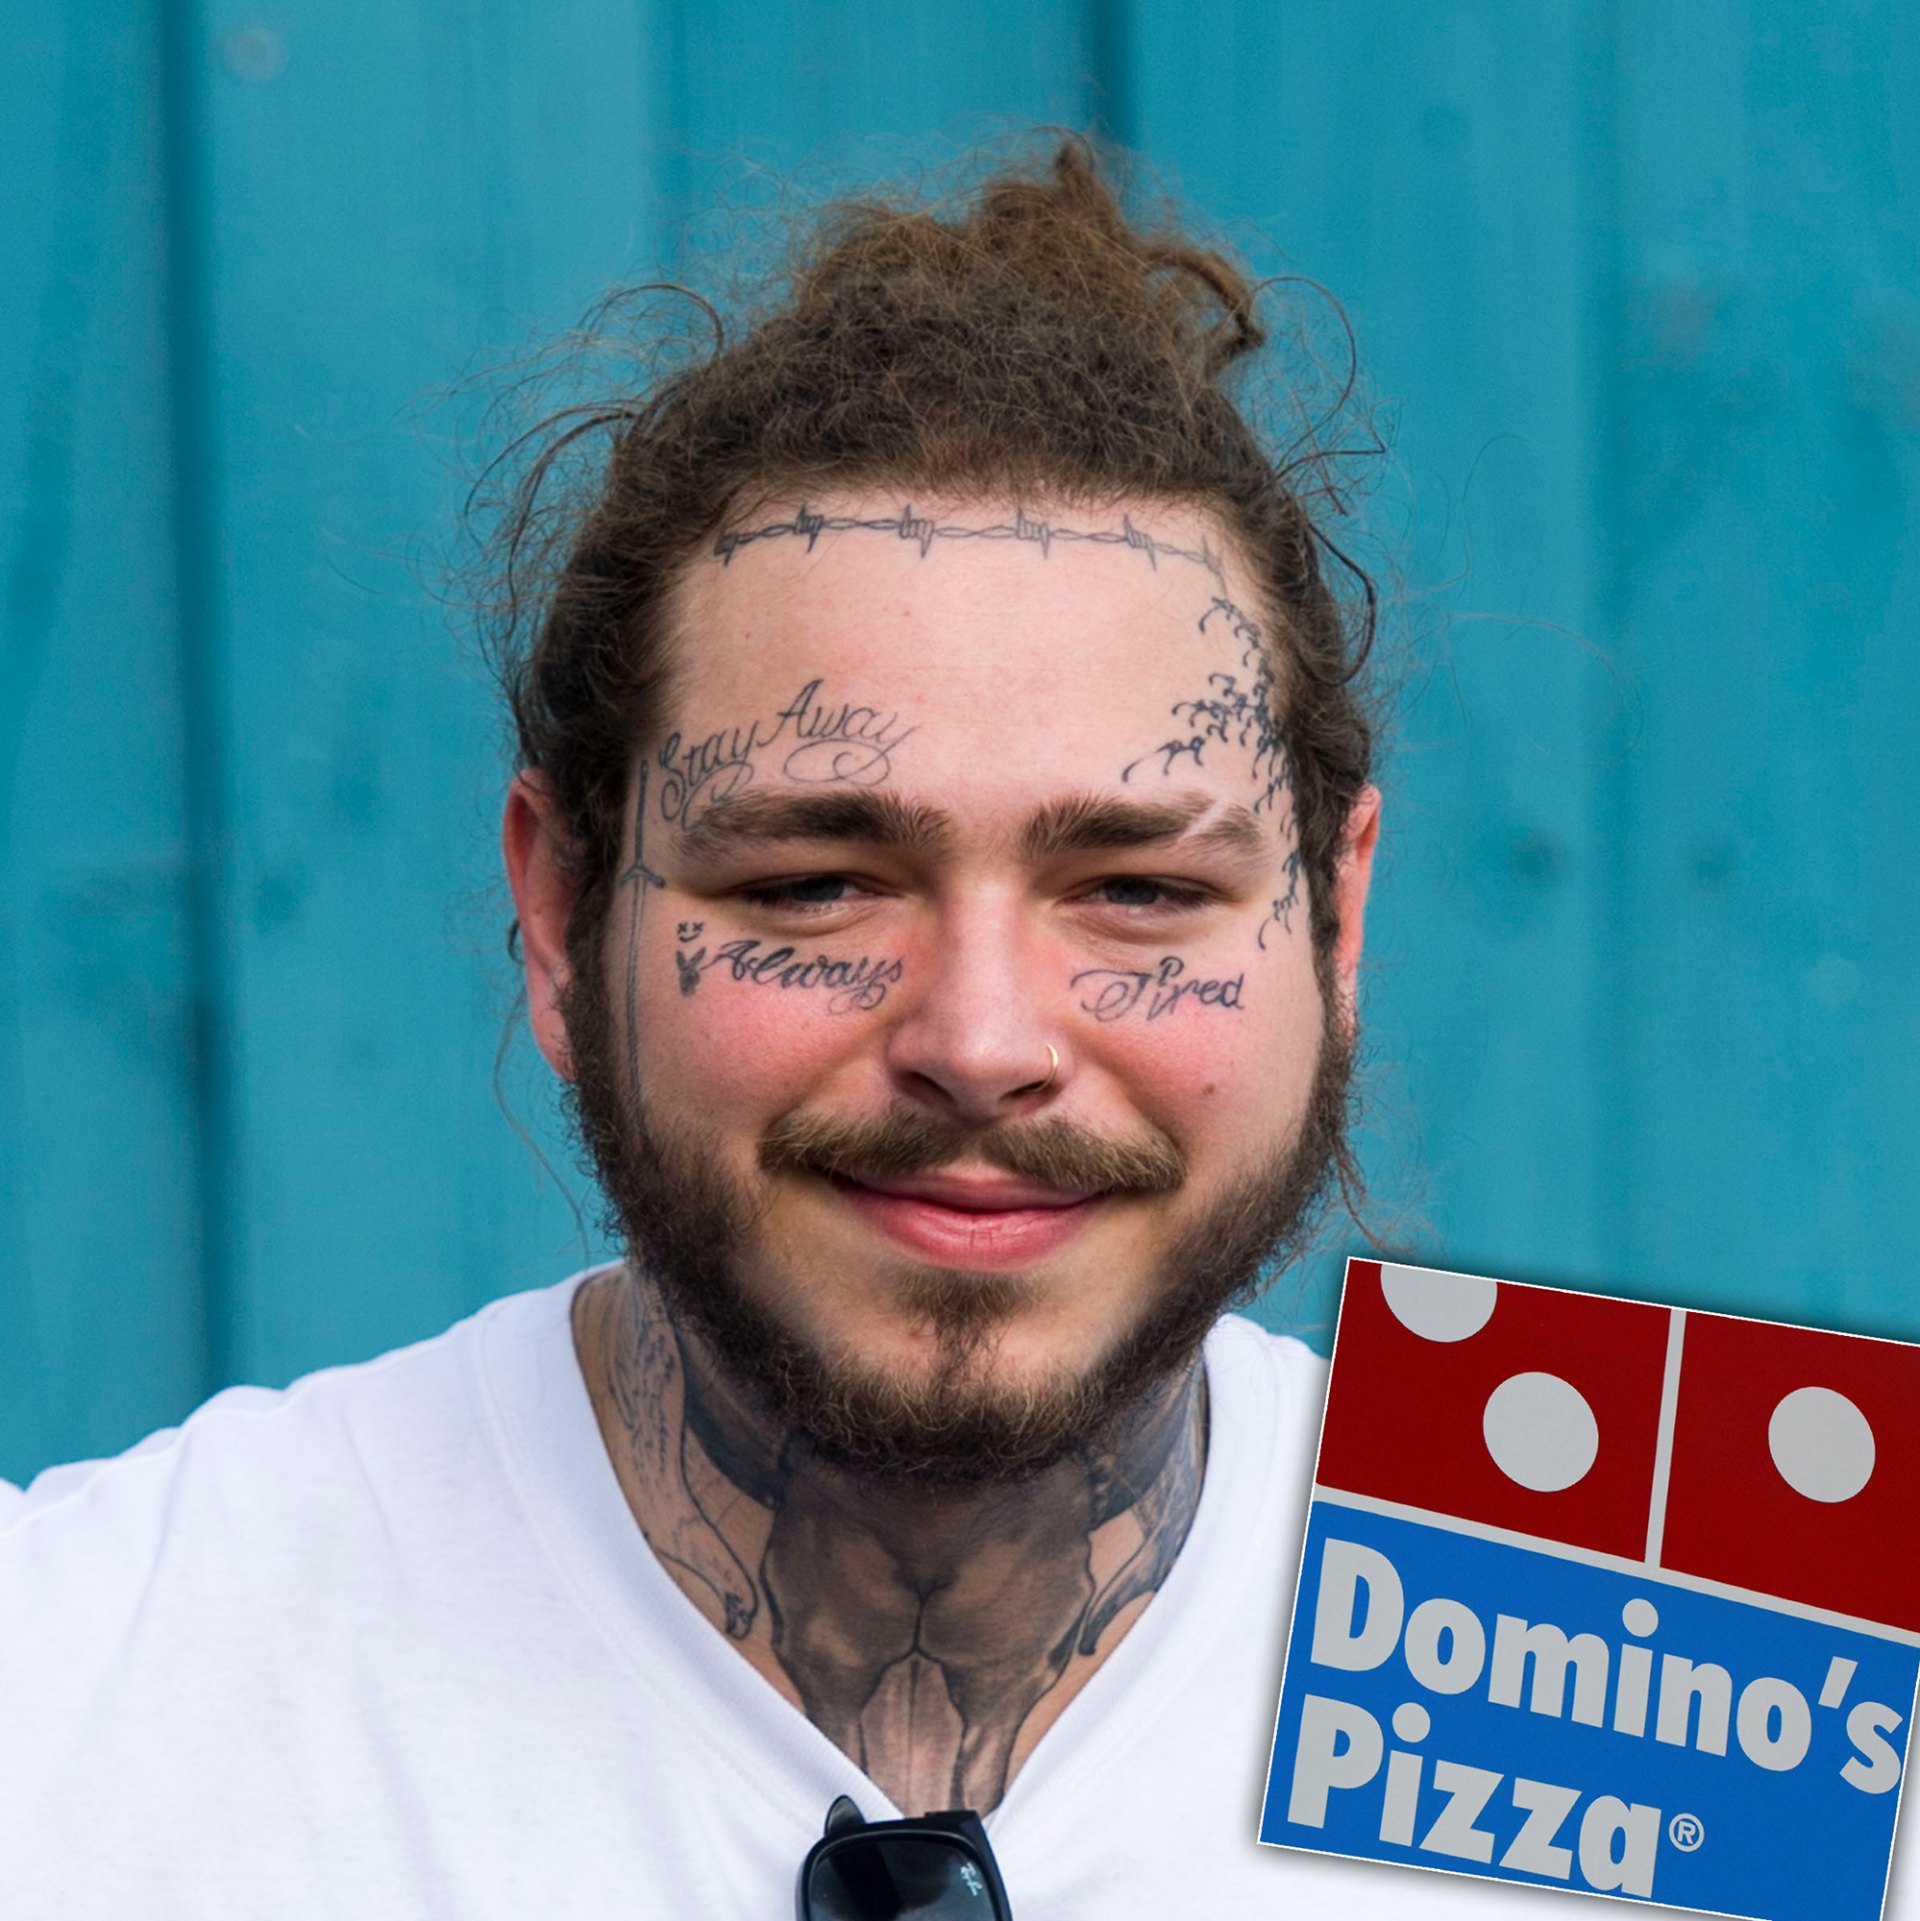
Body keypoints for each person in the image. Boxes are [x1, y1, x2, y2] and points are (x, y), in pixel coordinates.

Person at [0, 142, 1735, 1919]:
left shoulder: (1717, 1663)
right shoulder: (72, 1693)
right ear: (561, 914)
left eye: (1139, 886)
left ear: (1336, 923)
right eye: (816, 882)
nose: (980, 1039)